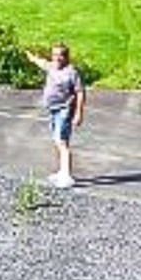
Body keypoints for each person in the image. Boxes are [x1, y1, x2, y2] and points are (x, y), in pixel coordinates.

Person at [26, 43, 85, 188]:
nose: (57, 58)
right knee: (57, 140)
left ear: (66, 57)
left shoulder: (71, 72)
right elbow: (40, 62)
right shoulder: (51, 66)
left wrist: (78, 113)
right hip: (52, 109)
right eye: (54, 55)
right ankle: (61, 171)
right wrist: (31, 57)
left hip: (64, 110)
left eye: (61, 55)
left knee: (62, 142)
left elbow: (80, 92)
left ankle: (67, 176)